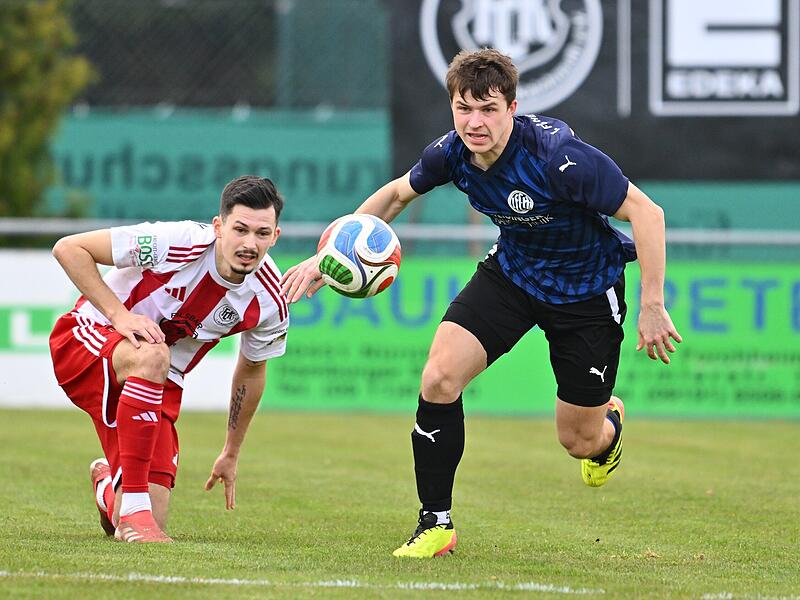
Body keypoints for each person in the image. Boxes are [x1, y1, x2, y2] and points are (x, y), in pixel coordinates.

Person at [281, 48, 681, 558]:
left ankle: (609, 423)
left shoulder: (560, 159)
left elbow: (647, 213)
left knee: (579, 441)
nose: (475, 122)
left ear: (512, 109)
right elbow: (397, 196)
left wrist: (652, 302)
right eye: (464, 108)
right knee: (439, 378)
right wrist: (332, 251)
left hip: (586, 292)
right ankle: (436, 524)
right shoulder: (450, 153)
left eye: (488, 109)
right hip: (512, 276)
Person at [49, 175, 289, 543]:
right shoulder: (179, 242)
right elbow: (69, 248)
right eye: (240, 229)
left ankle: (112, 492)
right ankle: (132, 512)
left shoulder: (271, 299)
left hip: (157, 380)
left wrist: (231, 450)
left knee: (153, 522)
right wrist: (121, 317)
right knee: (155, 355)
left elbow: (253, 370)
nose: (249, 243)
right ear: (218, 227)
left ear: (275, 236)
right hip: (86, 341)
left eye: (261, 233)